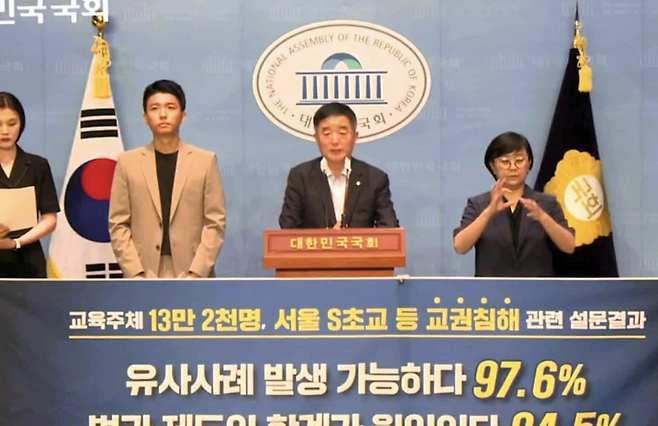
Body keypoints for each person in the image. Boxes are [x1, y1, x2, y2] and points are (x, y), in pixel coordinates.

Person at [109, 80, 226, 278]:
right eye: (155, 108)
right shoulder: (127, 162)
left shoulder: (205, 161)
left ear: (183, 116)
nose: (163, 114)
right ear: (145, 118)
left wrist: (197, 272)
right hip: (143, 272)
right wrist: (135, 273)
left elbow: (215, 223)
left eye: (170, 107)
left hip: (193, 272)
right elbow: (118, 223)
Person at [453, 131, 575, 277]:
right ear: (493, 166)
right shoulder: (478, 204)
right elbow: (460, 247)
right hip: (492, 289)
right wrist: (488, 213)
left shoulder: (547, 203)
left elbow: (569, 246)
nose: (513, 167)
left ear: (528, 164)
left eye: (519, 160)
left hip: (537, 289)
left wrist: (543, 217)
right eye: (505, 162)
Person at [279, 102, 398, 229]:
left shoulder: (375, 179)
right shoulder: (300, 177)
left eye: (342, 133)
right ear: (316, 138)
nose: (335, 141)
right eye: (327, 134)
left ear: (355, 137)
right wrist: (327, 238)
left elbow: (389, 227)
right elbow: (288, 227)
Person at [0, 92, 59, 278]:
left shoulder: (38, 165)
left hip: (28, 259)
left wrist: (16, 243)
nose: (5, 131)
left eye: (12, 123)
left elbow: (50, 219)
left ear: (21, 124)